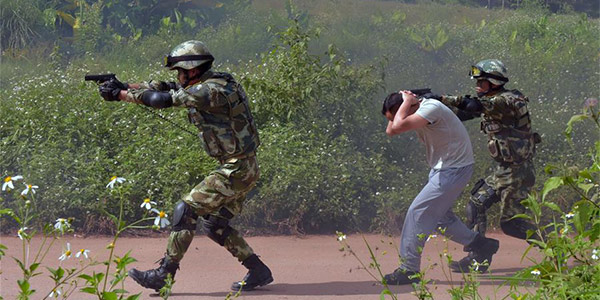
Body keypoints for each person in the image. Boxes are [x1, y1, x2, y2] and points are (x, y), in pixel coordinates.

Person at [97, 40, 273, 292]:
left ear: (193, 70)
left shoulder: (210, 91)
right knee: (214, 225)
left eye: (180, 71)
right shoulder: (217, 81)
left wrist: (120, 95)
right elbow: (165, 88)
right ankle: (258, 270)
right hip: (244, 167)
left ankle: (163, 275)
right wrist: (125, 86)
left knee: (186, 209)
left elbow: (161, 99)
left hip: (237, 169)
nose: (178, 76)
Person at [381, 91, 499, 284]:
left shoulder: (431, 108)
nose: (397, 119)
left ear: (413, 105)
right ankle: (481, 244)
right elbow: (392, 130)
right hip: (443, 169)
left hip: (454, 169)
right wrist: (404, 104)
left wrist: (407, 101)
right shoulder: (417, 109)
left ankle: (409, 269)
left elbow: (399, 125)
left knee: (418, 211)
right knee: (440, 218)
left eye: (401, 112)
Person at [439, 59, 541, 272]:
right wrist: (429, 110)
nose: (477, 85)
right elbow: (463, 113)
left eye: (482, 81)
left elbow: (472, 105)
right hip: (503, 171)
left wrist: (440, 98)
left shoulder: (508, 100)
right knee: (476, 204)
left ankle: (556, 249)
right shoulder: (490, 101)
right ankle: (479, 257)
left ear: (494, 82)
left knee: (511, 224)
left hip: (518, 172)